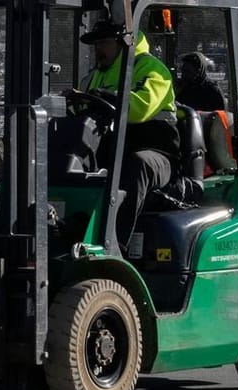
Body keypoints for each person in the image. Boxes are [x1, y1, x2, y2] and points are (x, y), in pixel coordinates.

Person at [69, 18, 180, 240]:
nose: (98, 49)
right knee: (69, 159)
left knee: (138, 164)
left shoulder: (152, 70)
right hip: (112, 149)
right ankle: (68, 229)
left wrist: (106, 97)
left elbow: (139, 108)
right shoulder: (94, 76)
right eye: (96, 44)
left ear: (123, 43)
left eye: (104, 43)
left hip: (157, 154)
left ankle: (114, 243)